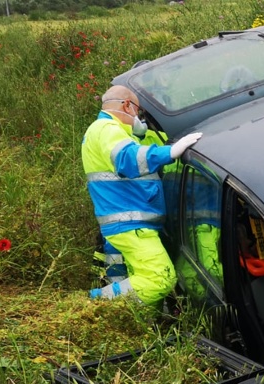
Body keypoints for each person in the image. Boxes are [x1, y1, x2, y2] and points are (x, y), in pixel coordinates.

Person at [82, 85, 201, 305]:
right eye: (137, 111)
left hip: (128, 223)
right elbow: (128, 159)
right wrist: (169, 152)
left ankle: (124, 316)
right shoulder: (107, 128)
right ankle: (93, 303)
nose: (138, 117)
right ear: (127, 105)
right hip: (130, 225)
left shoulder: (102, 130)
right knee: (160, 278)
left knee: (142, 281)